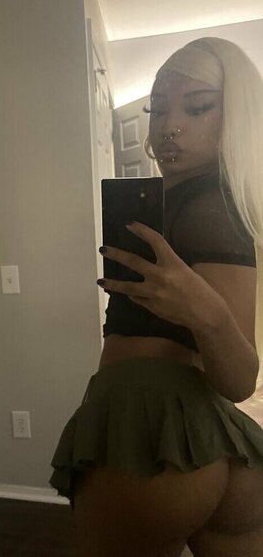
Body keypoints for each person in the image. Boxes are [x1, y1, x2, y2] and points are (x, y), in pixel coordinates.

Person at [49, 37, 263, 557]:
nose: (169, 126)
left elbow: (240, 380)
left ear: (236, 114)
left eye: (197, 108)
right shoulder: (192, 201)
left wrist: (206, 314)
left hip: (145, 435)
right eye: (158, 110)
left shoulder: (211, 205)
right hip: (209, 440)